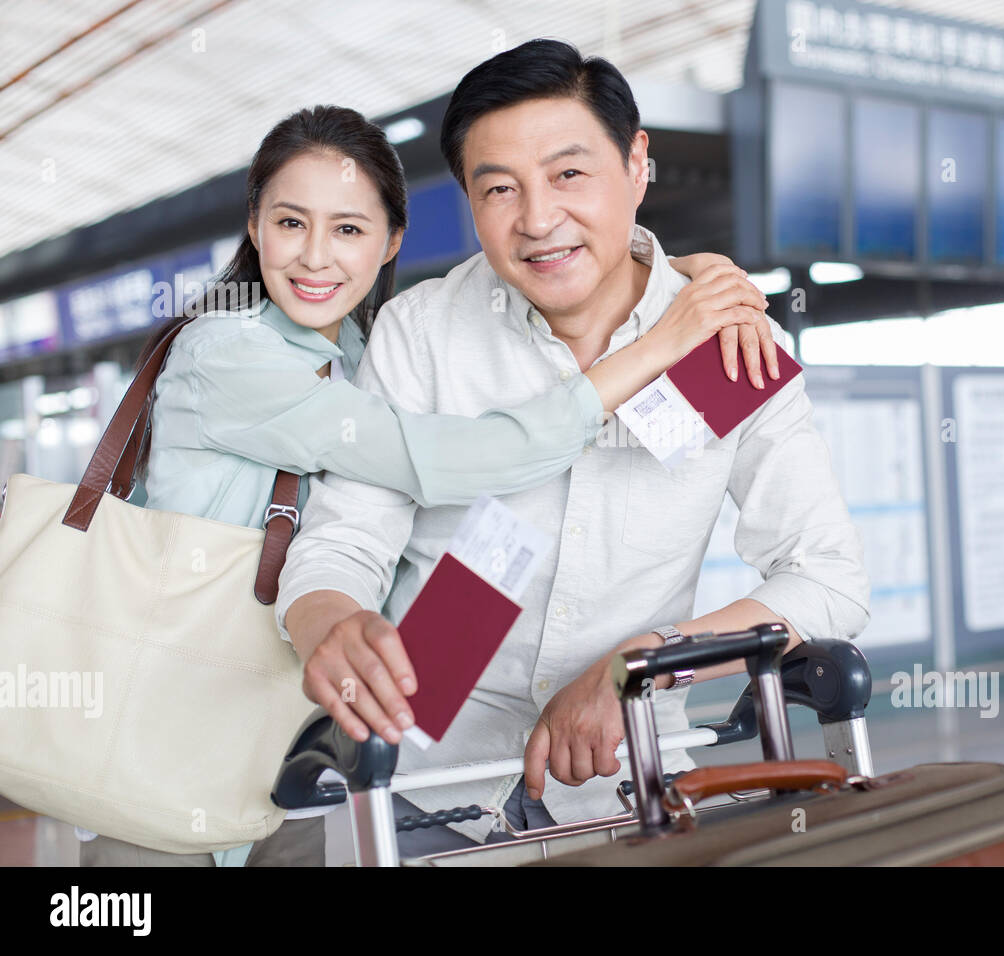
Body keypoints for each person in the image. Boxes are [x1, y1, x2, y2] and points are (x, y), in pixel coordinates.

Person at [77, 103, 775, 868]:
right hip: (176, 741)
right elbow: (446, 457)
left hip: (299, 753)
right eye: (290, 223)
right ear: (254, 226)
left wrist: (687, 274)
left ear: (390, 243)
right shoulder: (227, 354)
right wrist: (657, 346)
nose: (316, 258)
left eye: (348, 229)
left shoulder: (363, 350)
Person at [278, 40, 871, 857]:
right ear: (468, 201)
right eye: (499, 189)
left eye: (568, 174)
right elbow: (344, 539)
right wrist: (328, 620)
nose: (538, 219)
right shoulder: (423, 333)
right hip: (423, 783)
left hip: (634, 778)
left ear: (636, 165)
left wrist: (648, 662)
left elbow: (829, 576)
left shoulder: (729, 341)